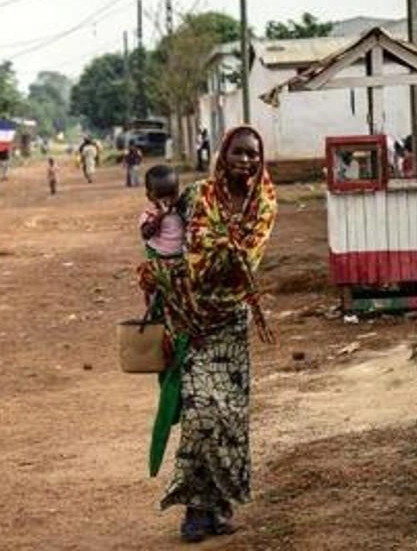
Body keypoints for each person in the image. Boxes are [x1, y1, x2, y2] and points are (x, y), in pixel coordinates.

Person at [153, 126, 277, 542]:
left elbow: (248, 256)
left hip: (232, 320)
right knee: (201, 413)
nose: (245, 161)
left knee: (227, 419)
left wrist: (216, 245)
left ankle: (218, 506)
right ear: (224, 154)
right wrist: (219, 248)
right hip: (192, 318)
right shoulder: (199, 194)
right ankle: (194, 509)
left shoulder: (266, 200)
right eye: (238, 153)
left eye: (253, 155)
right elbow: (180, 244)